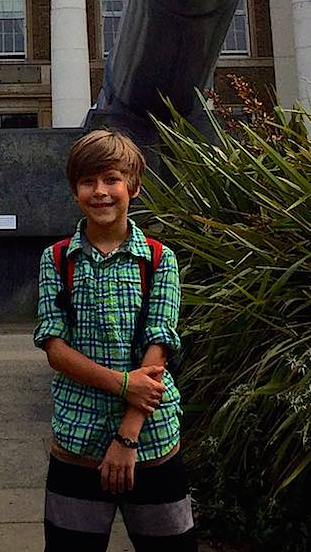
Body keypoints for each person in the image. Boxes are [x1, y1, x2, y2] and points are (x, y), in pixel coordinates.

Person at [35, 129, 196, 550]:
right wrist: (124, 384)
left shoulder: (160, 259)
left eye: (111, 179)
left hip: (153, 440)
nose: (100, 192)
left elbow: (159, 343)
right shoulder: (56, 259)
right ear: (75, 191)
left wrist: (128, 436)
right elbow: (54, 346)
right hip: (77, 438)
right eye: (88, 182)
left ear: (134, 187)